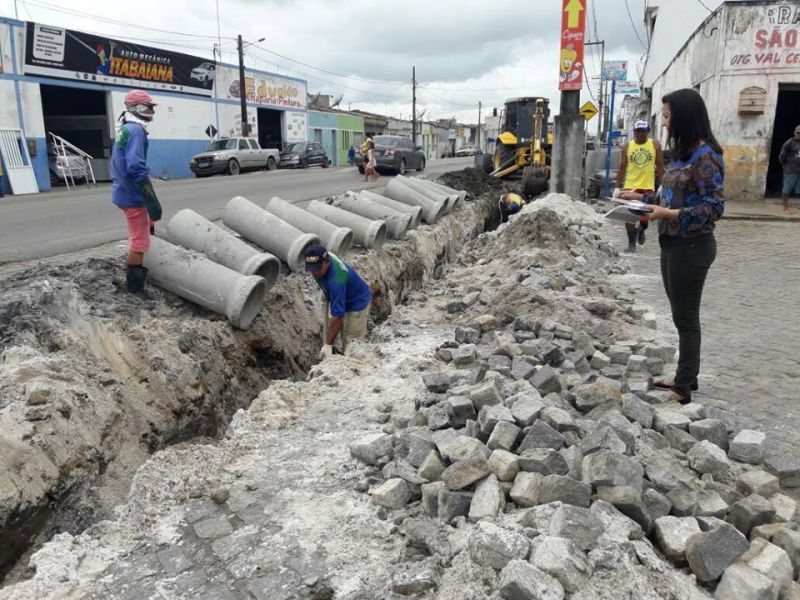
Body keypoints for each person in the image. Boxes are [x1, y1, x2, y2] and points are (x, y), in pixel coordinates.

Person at [620, 88, 724, 404]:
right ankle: (683, 378)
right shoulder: (681, 155)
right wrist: (641, 199)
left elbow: (713, 208)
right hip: (672, 243)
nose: (663, 123)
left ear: (684, 117)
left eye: (666, 116)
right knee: (681, 316)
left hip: (692, 247)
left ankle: (684, 385)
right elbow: (669, 195)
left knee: (686, 318)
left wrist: (668, 213)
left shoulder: (705, 157)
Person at [111, 89, 162, 299]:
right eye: (148, 107)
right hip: (131, 194)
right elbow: (136, 168)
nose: (152, 111)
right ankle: (135, 290)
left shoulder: (126, 128)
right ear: (138, 108)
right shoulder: (136, 131)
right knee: (139, 240)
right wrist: (151, 199)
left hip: (125, 190)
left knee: (148, 226)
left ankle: (143, 266)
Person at [304, 245, 372, 358]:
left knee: (352, 345)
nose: (314, 273)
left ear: (327, 262)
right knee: (334, 327)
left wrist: (328, 345)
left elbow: (338, 317)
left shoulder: (336, 281)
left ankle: (351, 367)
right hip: (342, 294)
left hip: (357, 303)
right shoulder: (326, 258)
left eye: (317, 269)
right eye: (311, 269)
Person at [615, 120, 664, 252]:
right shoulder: (627, 146)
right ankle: (631, 244)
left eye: (643, 131)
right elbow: (622, 167)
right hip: (630, 185)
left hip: (647, 187)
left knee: (644, 216)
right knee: (629, 216)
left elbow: (659, 165)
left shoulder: (654, 145)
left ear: (648, 131)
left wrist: (663, 184)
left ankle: (642, 229)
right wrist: (617, 186)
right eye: (638, 131)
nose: (641, 134)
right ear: (634, 132)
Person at [778, 124, 800, 214]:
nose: (799, 134)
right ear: (794, 132)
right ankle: (785, 207)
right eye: (798, 132)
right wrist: (785, 165)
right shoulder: (789, 143)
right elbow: (781, 156)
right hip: (791, 170)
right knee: (787, 189)